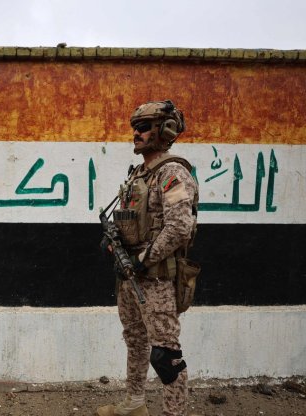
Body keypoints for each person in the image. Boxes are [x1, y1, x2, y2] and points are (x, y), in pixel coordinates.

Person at [97, 100, 197, 416]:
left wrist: (143, 259)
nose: (136, 134)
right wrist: (112, 240)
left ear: (164, 130)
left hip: (157, 279)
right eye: (134, 127)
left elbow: (180, 227)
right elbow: (127, 220)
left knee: (166, 356)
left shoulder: (172, 173)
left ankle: (174, 412)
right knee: (136, 342)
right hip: (129, 276)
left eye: (143, 127)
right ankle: (135, 403)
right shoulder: (138, 174)